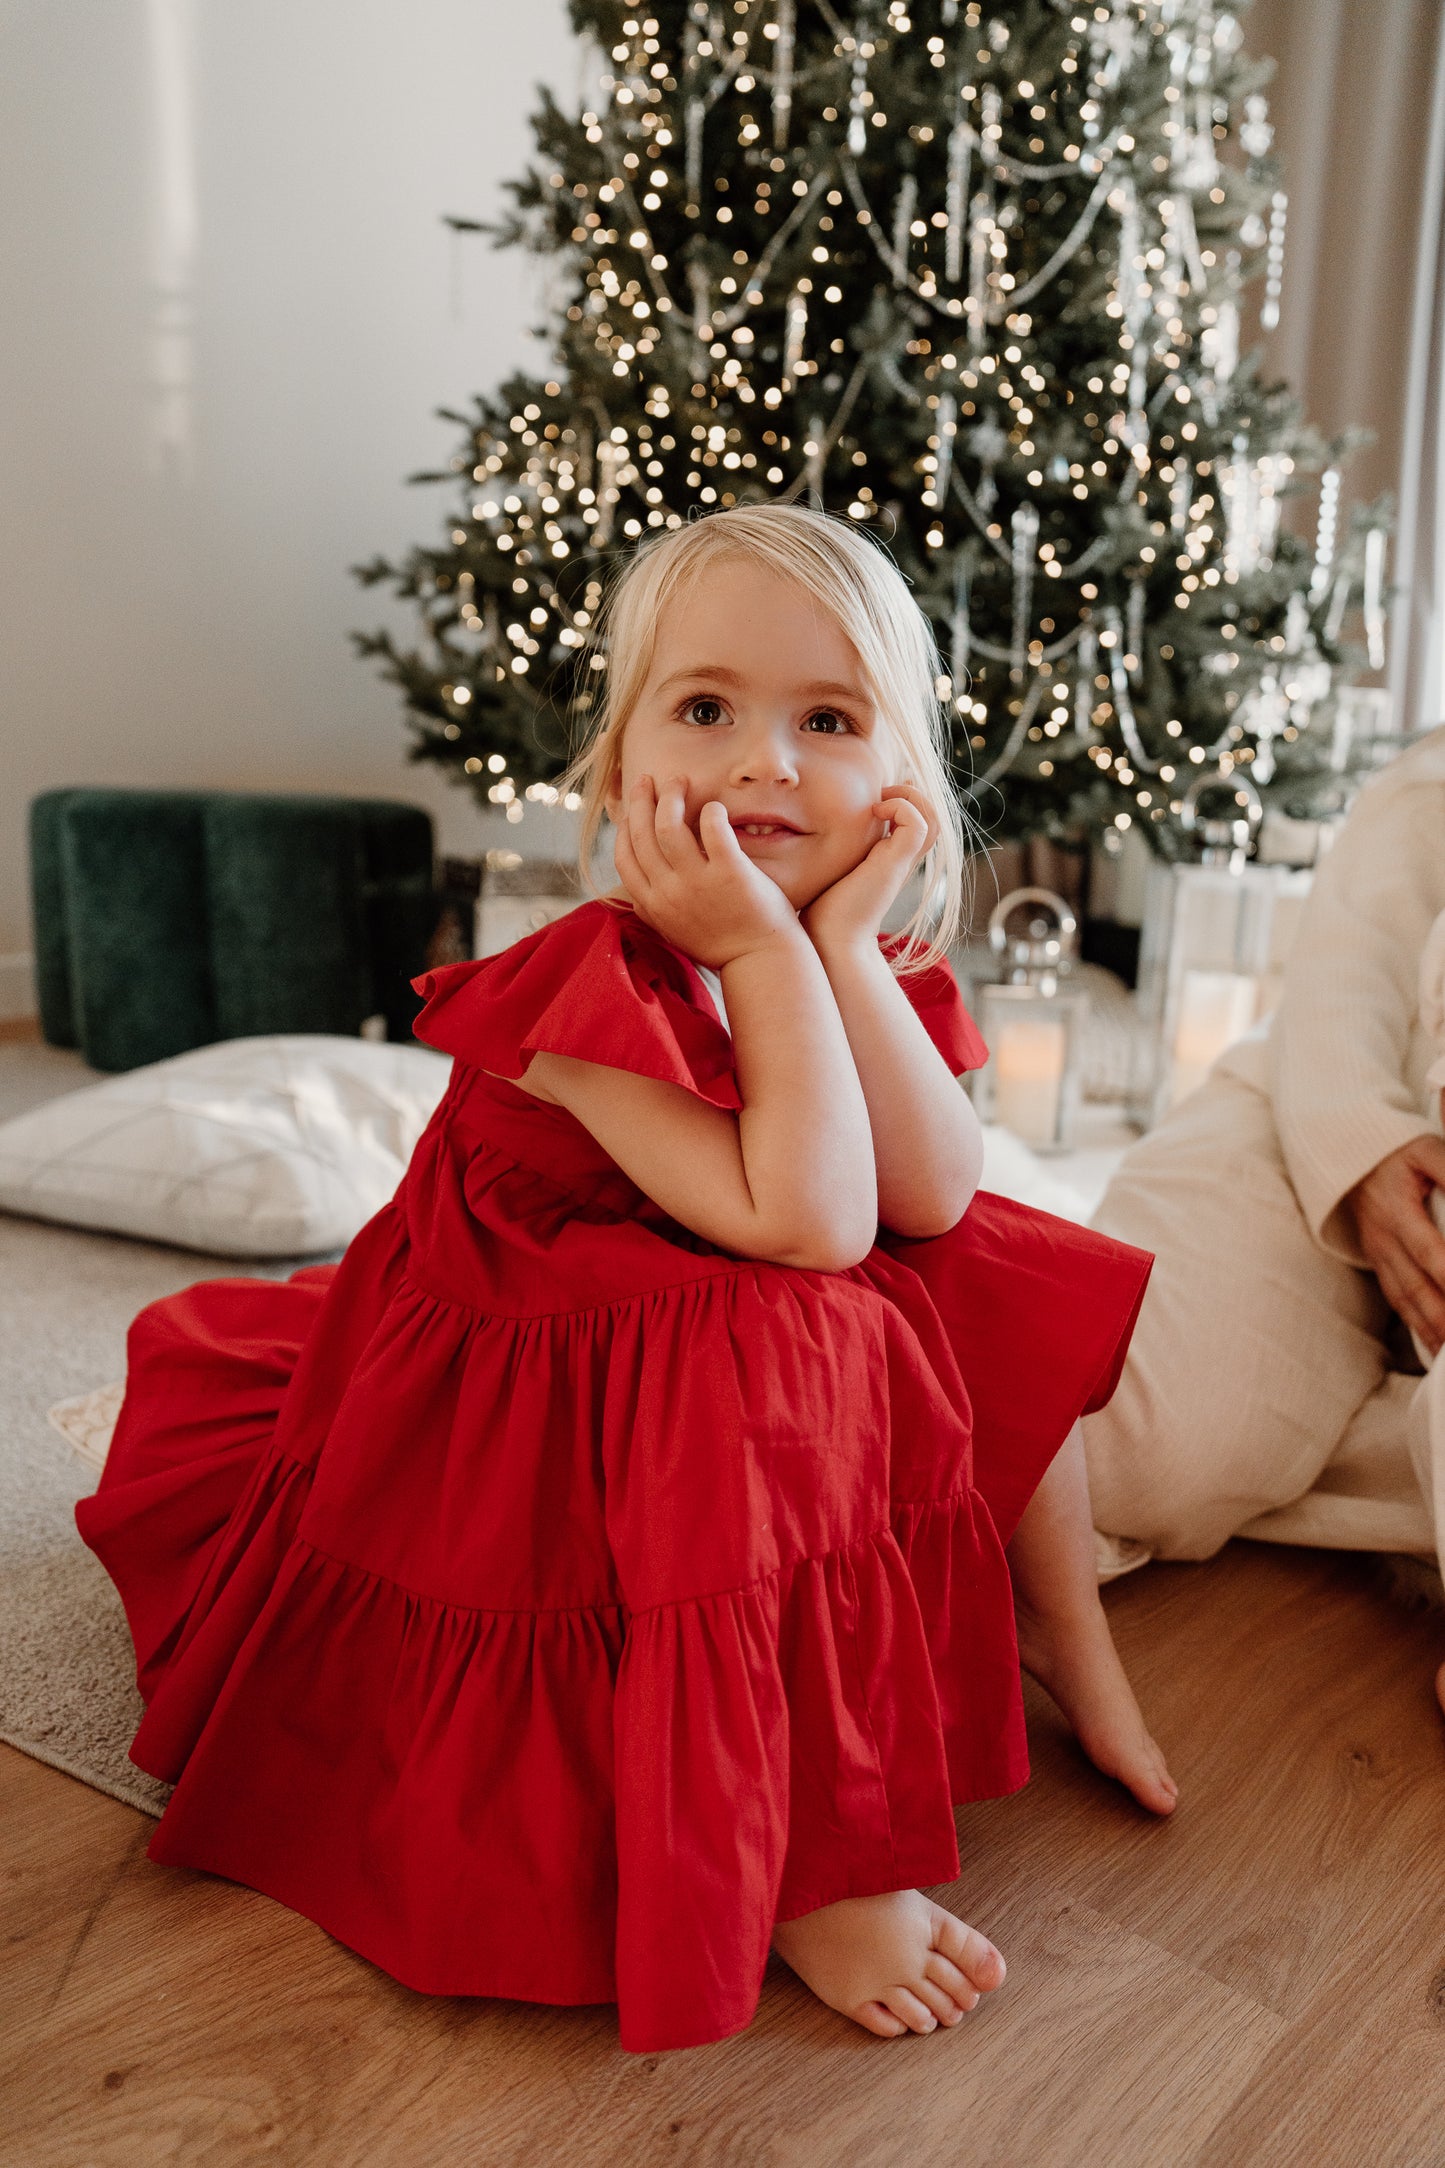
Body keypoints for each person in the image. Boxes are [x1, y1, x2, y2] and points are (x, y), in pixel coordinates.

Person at [77, 504, 1172, 2058]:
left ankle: (1055, 1622)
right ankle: (805, 1849)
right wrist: (767, 956)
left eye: (828, 721)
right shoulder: (573, 982)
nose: (762, 762)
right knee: (783, 1343)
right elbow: (803, 1225)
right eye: (706, 709)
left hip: (722, 1267)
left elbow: (922, 1196)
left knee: (990, 1260)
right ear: (615, 774)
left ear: (900, 792)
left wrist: (843, 953)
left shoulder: (851, 954)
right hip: (528, 1345)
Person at [1084, 726, 1445, 1702]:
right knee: (1139, 1425)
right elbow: (1341, 976)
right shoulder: (1430, 786)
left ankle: (1381, 1445)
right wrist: (1359, 1145)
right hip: (1313, 1099)